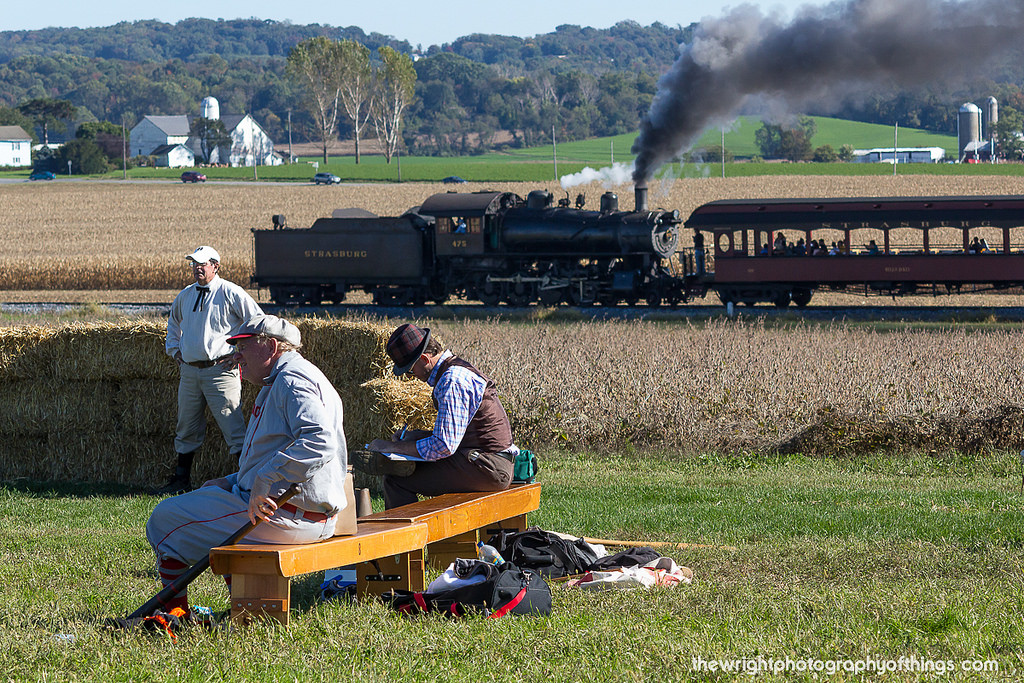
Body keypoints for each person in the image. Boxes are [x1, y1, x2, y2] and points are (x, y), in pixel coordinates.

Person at [146, 315, 352, 616]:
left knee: (164, 519)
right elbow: (276, 452)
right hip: (300, 513)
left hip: (286, 516)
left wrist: (264, 479)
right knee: (204, 506)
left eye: (243, 346)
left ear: (270, 346)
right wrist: (232, 481)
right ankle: (242, 605)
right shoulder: (290, 377)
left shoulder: (292, 382)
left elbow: (319, 441)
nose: (236, 355)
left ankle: (177, 614)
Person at [352, 323, 517, 509]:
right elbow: (455, 435)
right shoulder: (455, 371)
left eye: (410, 370)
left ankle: (406, 537)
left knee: (396, 479)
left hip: (489, 467)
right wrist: (418, 436)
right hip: (483, 462)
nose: (411, 376)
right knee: (403, 471)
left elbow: (443, 446)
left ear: (423, 358)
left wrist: (393, 447)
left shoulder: (452, 381)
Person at [157, 246, 264, 494]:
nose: (197, 268)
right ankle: (181, 481)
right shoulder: (185, 295)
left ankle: (249, 484)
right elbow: (173, 323)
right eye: (194, 263)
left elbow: (257, 320)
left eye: (202, 264)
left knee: (234, 428)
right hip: (190, 373)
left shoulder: (230, 292)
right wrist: (176, 351)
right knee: (186, 426)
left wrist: (241, 355)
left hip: (221, 371)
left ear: (215, 266)